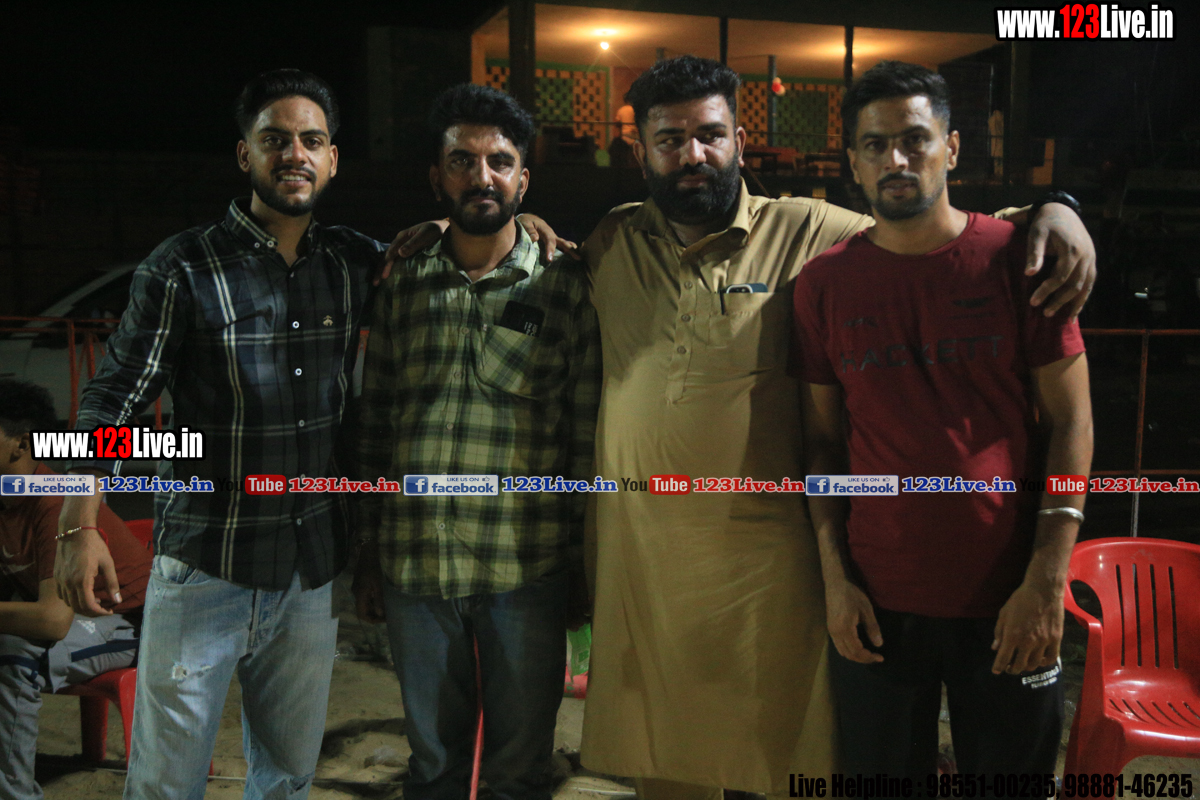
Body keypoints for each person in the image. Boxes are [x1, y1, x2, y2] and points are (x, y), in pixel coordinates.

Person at [389, 55, 1096, 799]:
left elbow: (921, 223)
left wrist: (1052, 209)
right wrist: (454, 225)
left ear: (740, 140)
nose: (692, 154)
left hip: (771, 576)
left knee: (783, 755)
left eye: (709, 135)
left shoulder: (807, 230)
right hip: (646, 573)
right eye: (669, 140)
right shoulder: (612, 239)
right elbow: (510, 242)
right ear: (641, 153)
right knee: (665, 763)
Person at [54, 69, 391, 799]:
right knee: (166, 784)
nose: (294, 154)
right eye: (276, 140)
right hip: (206, 564)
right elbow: (113, 400)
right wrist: (79, 525)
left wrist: (527, 226)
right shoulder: (184, 266)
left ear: (332, 159)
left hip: (308, 572)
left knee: (288, 779)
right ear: (246, 155)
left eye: (312, 141)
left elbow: (448, 260)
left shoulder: (354, 263)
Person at [794, 61, 1092, 781]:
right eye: (875, 145)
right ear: (853, 163)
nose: (896, 160)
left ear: (951, 148)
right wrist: (835, 581)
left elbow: (1072, 423)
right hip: (877, 602)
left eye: (914, 139)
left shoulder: (1020, 259)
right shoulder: (824, 284)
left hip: (1009, 596)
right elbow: (824, 444)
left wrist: (1046, 581)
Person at [352, 83, 600, 800]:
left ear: (524, 178)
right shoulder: (402, 281)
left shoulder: (565, 286)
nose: (481, 176)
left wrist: (582, 564)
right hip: (416, 566)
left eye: (499, 161)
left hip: (527, 570)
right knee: (433, 768)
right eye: (462, 161)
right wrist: (368, 550)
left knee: (520, 773)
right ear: (438, 177)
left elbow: (583, 441)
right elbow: (376, 423)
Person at [0, 379, 151, 799]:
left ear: (20, 445)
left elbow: (52, 620)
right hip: (74, 619)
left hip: (129, 624)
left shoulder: (53, 500)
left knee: (12, 653)